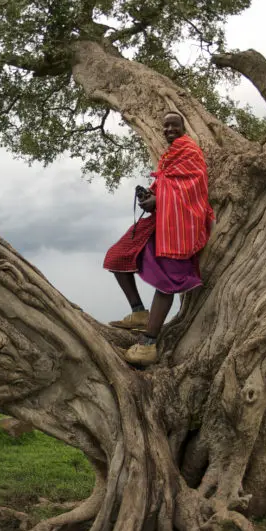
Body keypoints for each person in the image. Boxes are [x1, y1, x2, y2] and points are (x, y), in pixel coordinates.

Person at [103, 112, 214, 366]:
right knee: (117, 256)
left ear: (183, 127)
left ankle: (148, 344)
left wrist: (160, 199)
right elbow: (168, 186)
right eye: (165, 126)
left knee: (167, 282)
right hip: (159, 222)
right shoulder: (169, 157)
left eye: (174, 125)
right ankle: (139, 312)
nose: (169, 129)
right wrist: (150, 198)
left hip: (180, 227)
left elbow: (193, 191)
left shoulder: (191, 153)